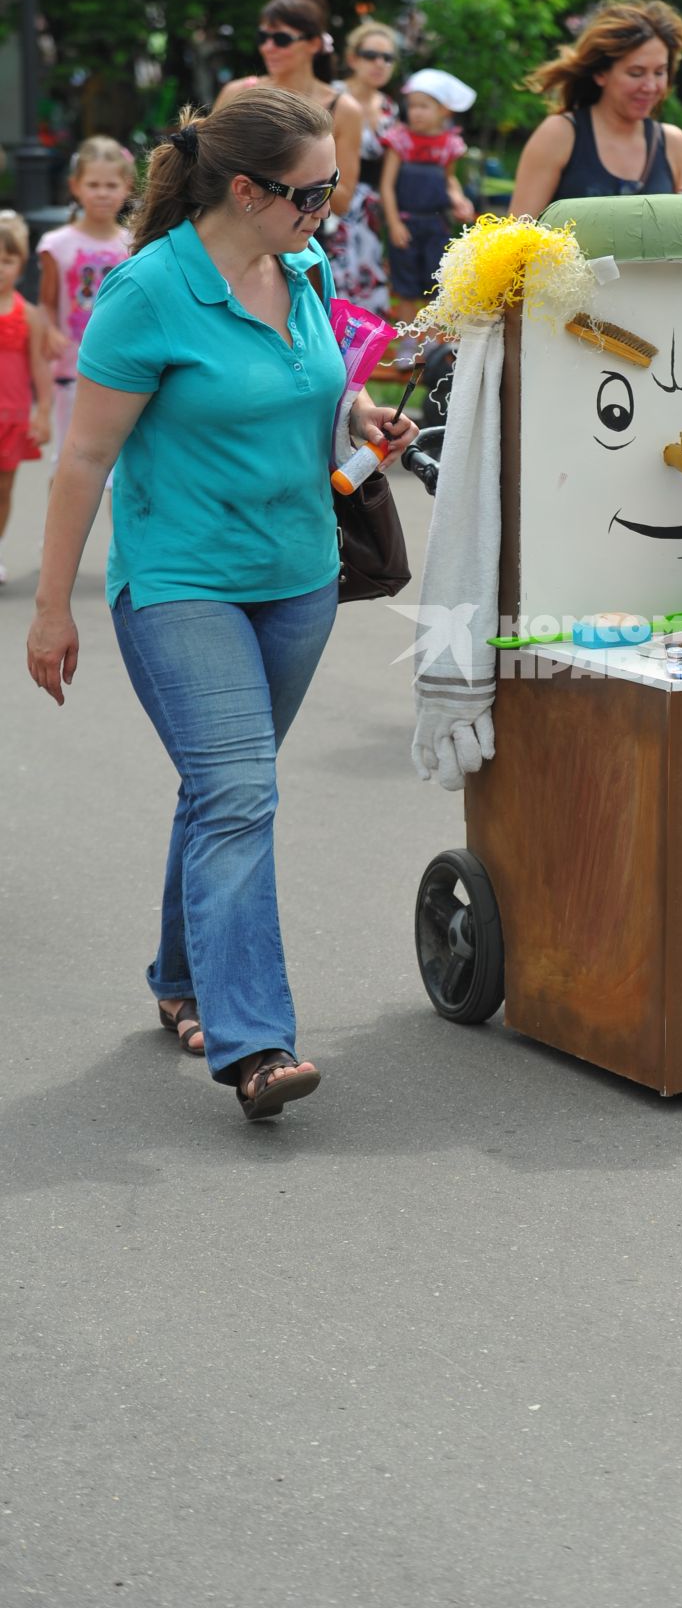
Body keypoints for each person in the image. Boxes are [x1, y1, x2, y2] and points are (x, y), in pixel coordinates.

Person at [25, 87, 418, 1119]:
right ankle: (253, 1045)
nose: (328, 208)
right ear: (243, 189)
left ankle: (180, 976)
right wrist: (51, 608)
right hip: (180, 585)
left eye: (334, 184)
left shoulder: (301, 263)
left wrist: (366, 411)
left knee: (222, 791)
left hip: (299, 581)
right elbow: (84, 461)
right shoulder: (146, 294)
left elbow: (317, 382)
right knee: (240, 794)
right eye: (309, 191)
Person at [510, 0, 682, 216]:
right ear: (601, 73)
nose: (650, 86)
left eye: (659, 72)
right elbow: (517, 234)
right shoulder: (559, 134)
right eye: (635, 73)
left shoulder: (674, 144)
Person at [216, 0, 361, 225]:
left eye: (281, 39)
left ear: (314, 44)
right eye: (263, 37)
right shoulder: (238, 93)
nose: (268, 47)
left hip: (305, 234)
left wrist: (284, 179)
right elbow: (209, 167)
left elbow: (343, 201)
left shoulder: (344, 109)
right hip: (240, 226)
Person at [38, 136, 134, 466]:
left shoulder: (134, 244)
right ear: (75, 186)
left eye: (111, 184)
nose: (103, 193)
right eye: (93, 184)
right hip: (72, 373)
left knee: (119, 472)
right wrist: (49, 330)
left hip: (125, 370)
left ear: (127, 186)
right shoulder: (56, 244)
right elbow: (47, 301)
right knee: (69, 462)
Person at [381, 68, 476, 325]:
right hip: (405, 223)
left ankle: (432, 340)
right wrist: (394, 224)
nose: (416, 112)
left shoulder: (449, 144)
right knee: (405, 284)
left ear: (444, 110)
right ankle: (408, 339)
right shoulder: (400, 140)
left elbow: (449, 180)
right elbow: (387, 186)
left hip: (437, 225)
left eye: (424, 106)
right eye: (412, 106)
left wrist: (459, 199)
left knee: (435, 281)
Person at [325, 19, 401, 310]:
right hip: (332, 195)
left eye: (387, 58)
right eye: (371, 55)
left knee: (365, 284)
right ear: (352, 58)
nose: (379, 63)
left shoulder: (388, 108)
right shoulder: (331, 95)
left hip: (369, 206)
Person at [0, 211, 52, 585]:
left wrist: (44, 412)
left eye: (7, 260)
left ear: (20, 265)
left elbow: (39, 368)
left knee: (4, 488)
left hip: (12, 418)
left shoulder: (29, 315)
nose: (0, 268)